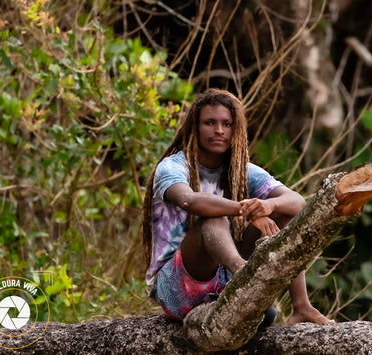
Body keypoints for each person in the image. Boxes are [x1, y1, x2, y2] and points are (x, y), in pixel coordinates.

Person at [143, 88, 334, 325]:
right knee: (214, 219)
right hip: (177, 285)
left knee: (285, 213)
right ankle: (245, 280)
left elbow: (297, 202)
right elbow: (189, 201)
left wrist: (267, 205)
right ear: (195, 127)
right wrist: (246, 211)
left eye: (227, 124)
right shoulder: (172, 167)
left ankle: (301, 306)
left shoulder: (241, 170)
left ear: (236, 129)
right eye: (209, 123)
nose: (219, 130)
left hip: (223, 281)